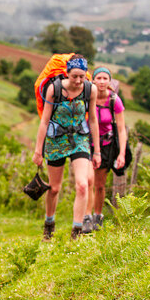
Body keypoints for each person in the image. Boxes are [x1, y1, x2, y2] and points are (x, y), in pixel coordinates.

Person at [32, 54, 100, 240]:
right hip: (56, 141)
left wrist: (97, 151)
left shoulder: (90, 89)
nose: (78, 81)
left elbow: (93, 120)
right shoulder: (54, 89)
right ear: (67, 73)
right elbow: (44, 122)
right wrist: (38, 151)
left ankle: (76, 232)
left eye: (82, 76)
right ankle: (49, 224)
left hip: (79, 139)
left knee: (82, 185)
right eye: (74, 76)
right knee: (54, 188)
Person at [89, 67, 127, 231]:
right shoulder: (87, 98)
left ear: (109, 81)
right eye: (99, 78)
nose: (102, 82)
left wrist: (122, 153)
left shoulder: (114, 100)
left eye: (105, 78)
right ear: (93, 81)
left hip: (106, 146)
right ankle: (85, 218)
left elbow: (121, 129)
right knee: (86, 182)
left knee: (99, 184)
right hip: (87, 144)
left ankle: (98, 218)